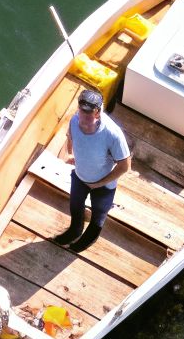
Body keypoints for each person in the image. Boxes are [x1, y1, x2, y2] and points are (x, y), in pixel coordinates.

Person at [51, 88, 132, 253]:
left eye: (90, 114)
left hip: (103, 185)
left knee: (98, 217)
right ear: (78, 108)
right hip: (80, 176)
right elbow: (70, 136)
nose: (85, 118)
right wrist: (70, 153)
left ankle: (86, 241)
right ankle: (75, 230)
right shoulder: (74, 120)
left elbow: (125, 166)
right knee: (75, 206)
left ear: (98, 113)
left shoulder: (113, 134)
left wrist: (99, 183)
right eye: (82, 111)